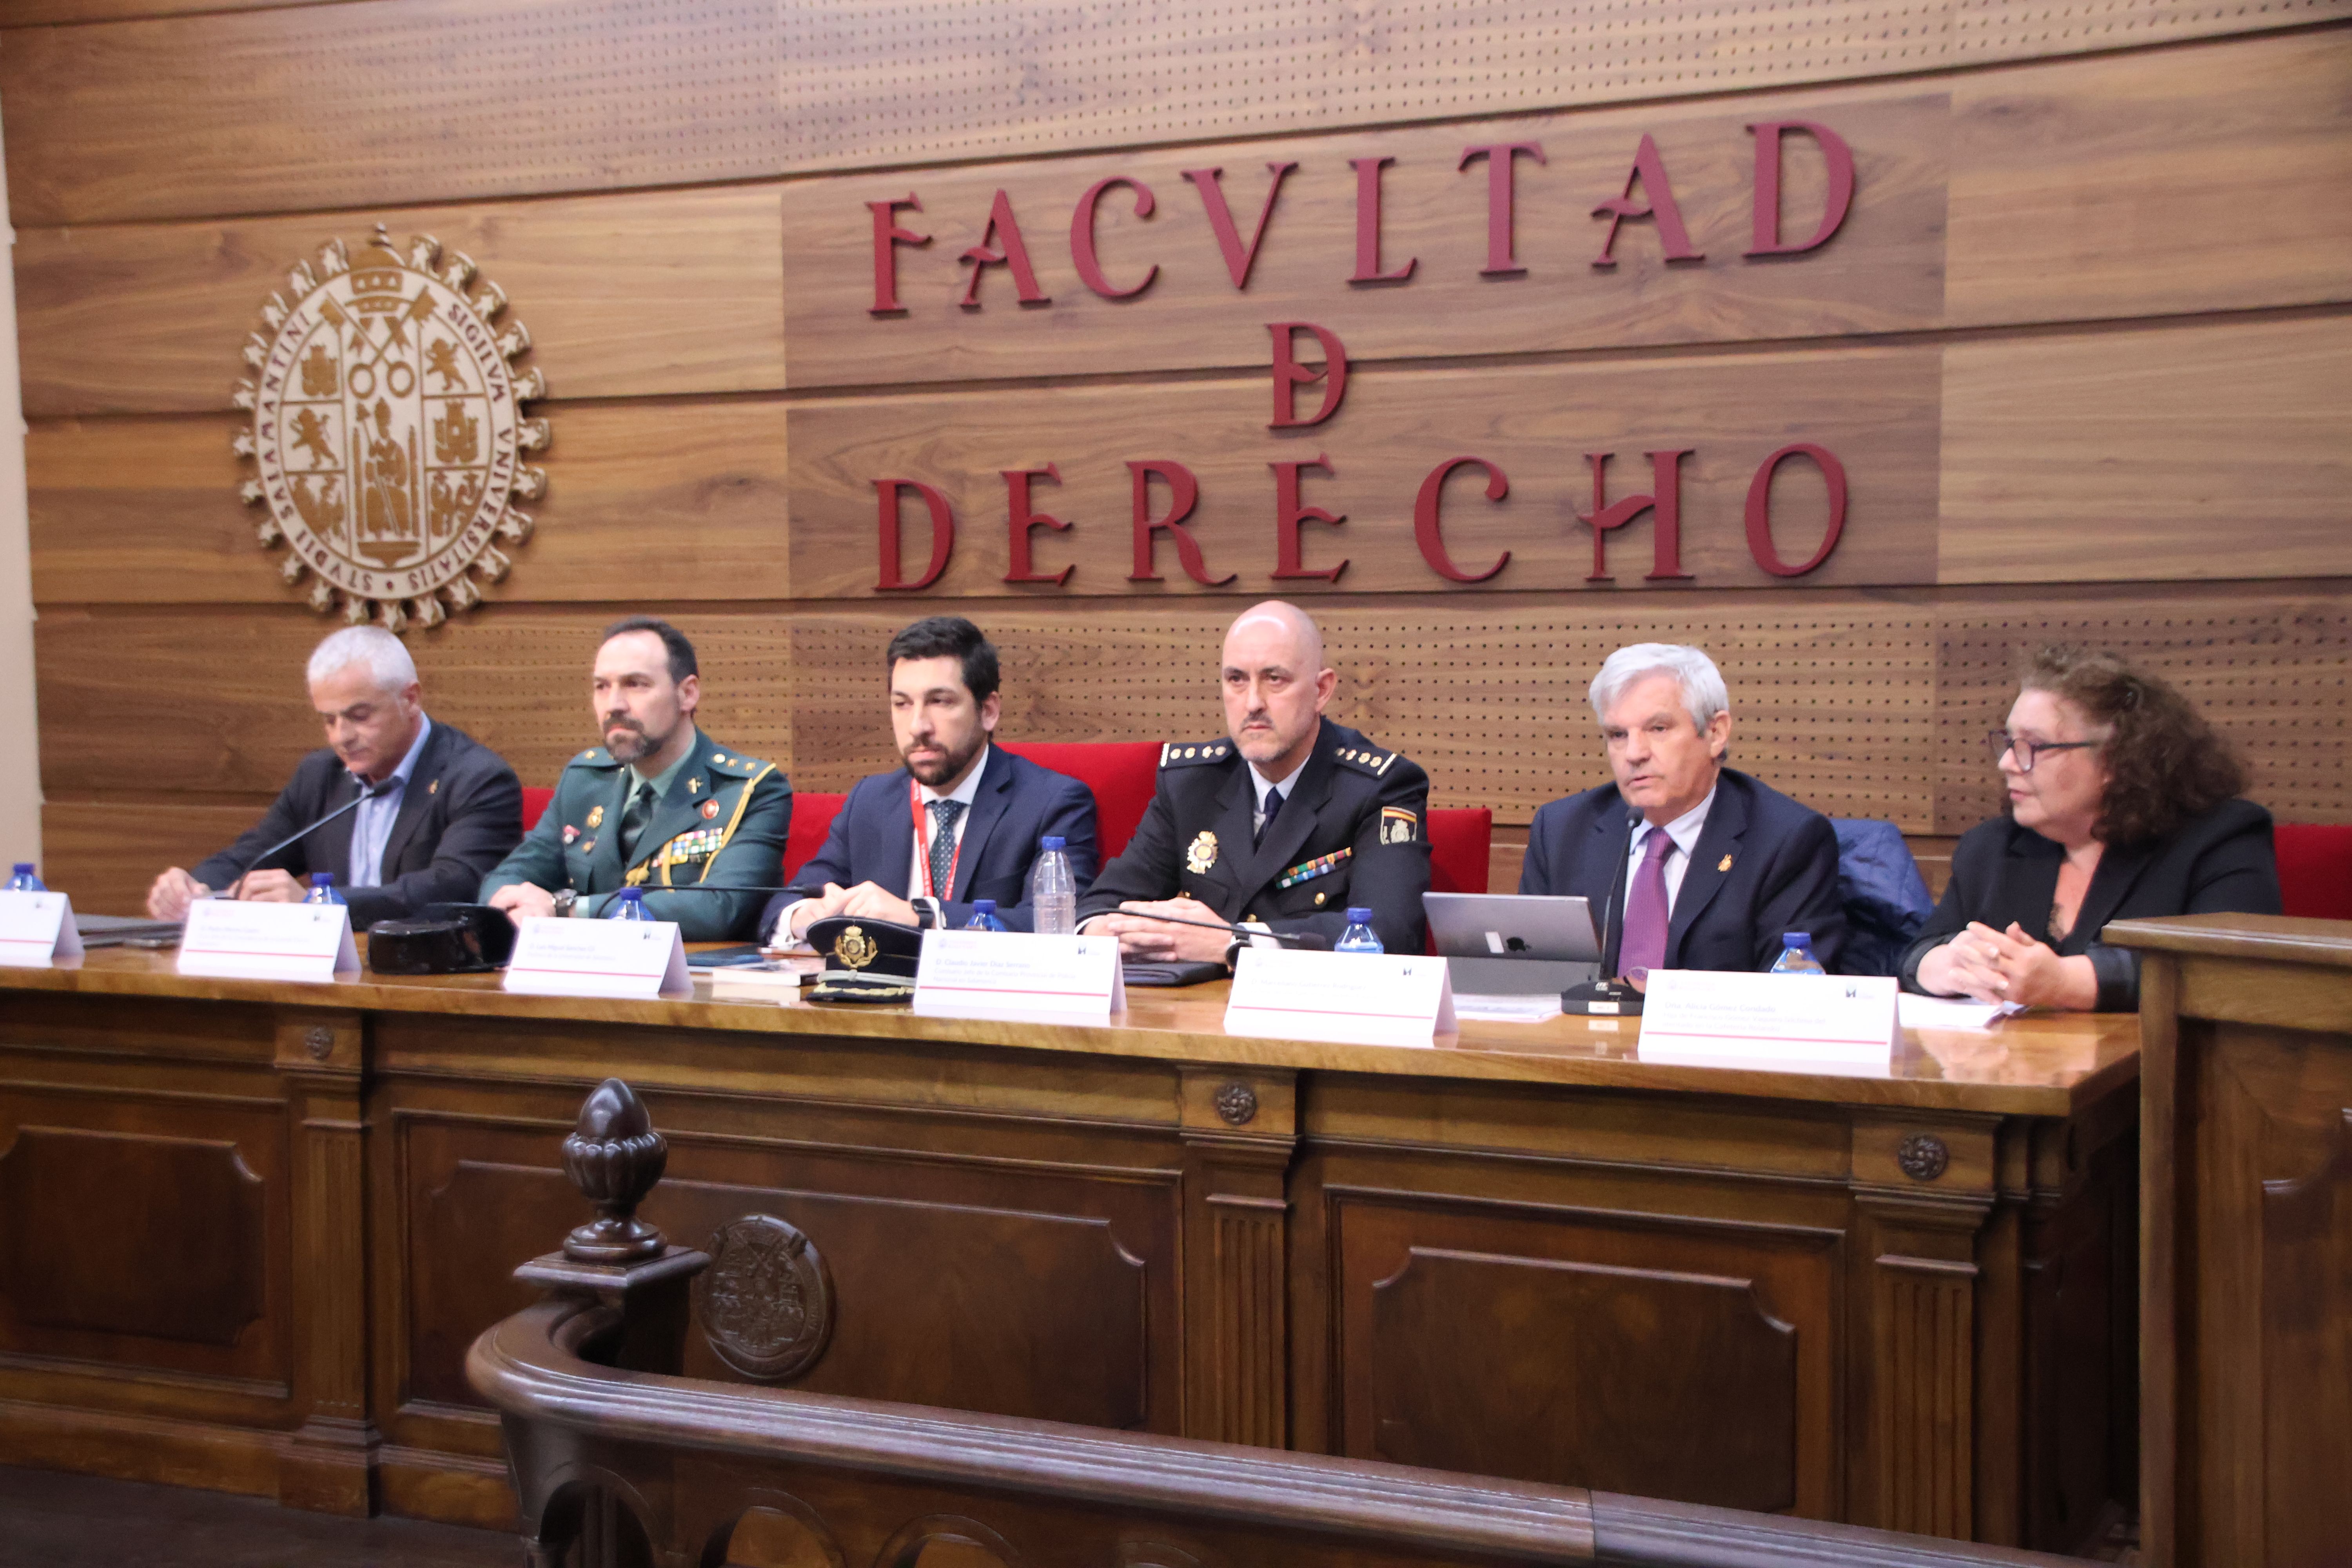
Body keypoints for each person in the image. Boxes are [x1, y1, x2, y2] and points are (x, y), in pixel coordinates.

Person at [1903, 647, 2279, 1011]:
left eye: (2033, 745)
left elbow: (2229, 969)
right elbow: (1920, 952)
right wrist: (1945, 966)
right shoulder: (1990, 848)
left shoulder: (2220, 838)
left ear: (2115, 758)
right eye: (2008, 742)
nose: (2006, 763)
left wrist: (2067, 983)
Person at [1078, 601, 1430, 961]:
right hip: (1194, 1011)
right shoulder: (1192, 782)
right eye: (1236, 680)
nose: (1252, 703)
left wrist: (1233, 943)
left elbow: (1390, 930)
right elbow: (1099, 907)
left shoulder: (1378, 787)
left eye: (1274, 679)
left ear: (1322, 690)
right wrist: (1121, 931)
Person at [147, 626, 522, 928]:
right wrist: (194, 887)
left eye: (359, 716)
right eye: (329, 719)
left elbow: (454, 887)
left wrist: (320, 904)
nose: (341, 737)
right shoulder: (321, 775)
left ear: (410, 700)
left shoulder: (478, 778)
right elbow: (254, 856)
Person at [1519, 642, 1846, 980]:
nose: (1634, 753)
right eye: (1617, 735)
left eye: (1658, 729)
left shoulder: (1787, 841)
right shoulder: (1561, 831)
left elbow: (1790, 997)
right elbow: (1528, 975)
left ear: (1716, 733)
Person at [758, 617, 1098, 941]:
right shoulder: (871, 801)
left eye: (939, 701)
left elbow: (1058, 926)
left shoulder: (1053, 802)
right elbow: (784, 903)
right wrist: (804, 916)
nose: (918, 726)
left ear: (989, 711)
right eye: (902, 704)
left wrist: (923, 916)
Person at [481, 617, 791, 940]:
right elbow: (508, 876)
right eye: (602, 687)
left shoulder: (747, 790)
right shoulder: (585, 780)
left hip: (696, 981)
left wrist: (567, 909)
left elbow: (719, 907)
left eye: (635, 684)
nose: (614, 705)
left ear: (687, 694)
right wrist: (515, 904)